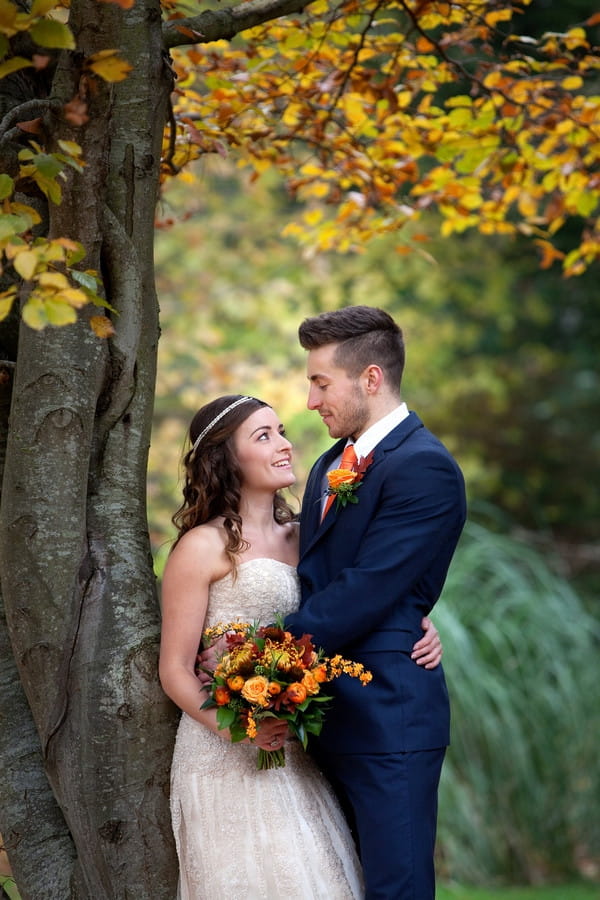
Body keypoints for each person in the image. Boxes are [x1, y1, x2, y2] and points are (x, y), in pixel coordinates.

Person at [159, 393, 444, 900]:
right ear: (227, 458)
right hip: (226, 751)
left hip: (300, 748)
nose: (285, 445)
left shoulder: (306, 536)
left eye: (283, 431)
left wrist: (416, 626)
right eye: (263, 436)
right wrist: (242, 730)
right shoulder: (202, 546)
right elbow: (175, 670)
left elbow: (363, 594)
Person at [284, 306, 467, 900]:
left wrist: (259, 656)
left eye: (320, 382)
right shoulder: (327, 465)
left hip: (390, 718)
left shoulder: (425, 467)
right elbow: (320, 574)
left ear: (369, 378)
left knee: (397, 888)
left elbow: (367, 588)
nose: (310, 401)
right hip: (320, 714)